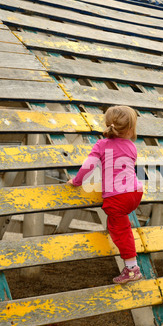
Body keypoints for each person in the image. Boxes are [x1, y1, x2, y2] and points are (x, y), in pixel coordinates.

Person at [67, 105, 143, 285]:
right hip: (135, 193)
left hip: (117, 197)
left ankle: (132, 269)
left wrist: (76, 182)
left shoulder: (102, 145)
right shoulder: (132, 147)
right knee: (120, 220)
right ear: (131, 129)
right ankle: (123, 219)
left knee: (118, 230)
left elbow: (89, 166)